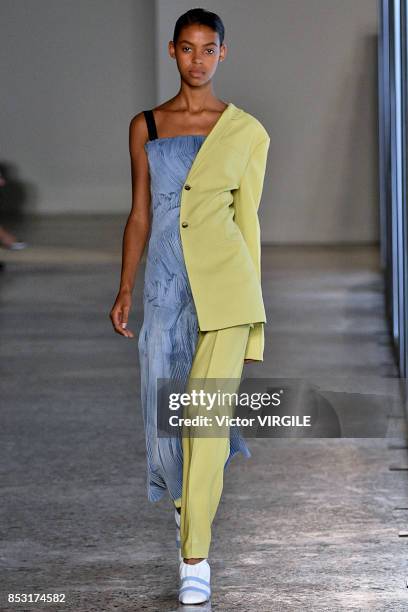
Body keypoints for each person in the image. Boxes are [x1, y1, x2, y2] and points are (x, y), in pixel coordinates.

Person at [110, 8, 270, 605]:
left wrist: (256, 324)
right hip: (165, 290)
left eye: (209, 49)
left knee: (204, 419)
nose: (197, 60)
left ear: (222, 54)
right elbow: (141, 214)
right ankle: (188, 511)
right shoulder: (146, 125)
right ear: (171, 52)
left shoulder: (247, 132)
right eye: (187, 48)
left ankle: (195, 555)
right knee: (167, 421)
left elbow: (247, 222)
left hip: (227, 293)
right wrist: (126, 286)